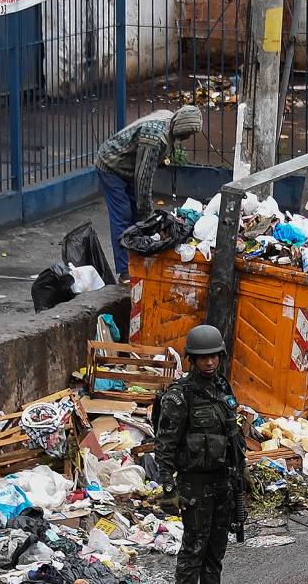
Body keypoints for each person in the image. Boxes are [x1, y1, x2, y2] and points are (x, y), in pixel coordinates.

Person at [156, 324, 245, 584]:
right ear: (193, 360)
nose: (209, 362)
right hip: (195, 487)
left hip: (224, 484)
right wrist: (169, 489)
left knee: (215, 553)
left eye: (214, 356)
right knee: (193, 551)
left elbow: (233, 435)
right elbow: (165, 445)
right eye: (203, 358)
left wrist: (243, 473)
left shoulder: (222, 388)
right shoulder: (180, 396)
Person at [95, 106, 203, 283]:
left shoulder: (170, 122)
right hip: (111, 165)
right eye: (189, 133)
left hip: (128, 166)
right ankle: (125, 272)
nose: (188, 138)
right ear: (182, 127)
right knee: (122, 215)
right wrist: (148, 215)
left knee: (135, 216)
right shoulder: (155, 138)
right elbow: (143, 179)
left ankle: (136, 260)